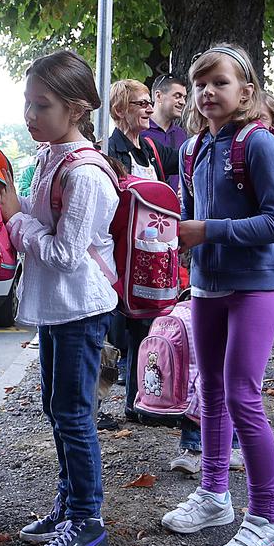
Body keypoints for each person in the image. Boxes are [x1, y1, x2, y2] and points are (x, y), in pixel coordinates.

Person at [158, 43, 274, 546]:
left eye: (220, 82)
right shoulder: (192, 149)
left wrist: (206, 231)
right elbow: (189, 219)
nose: (208, 92)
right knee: (209, 394)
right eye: (200, 84)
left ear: (246, 92)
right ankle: (215, 496)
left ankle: (267, 521)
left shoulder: (259, 145)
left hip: (254, 287)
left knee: (242, 397)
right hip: (207, 287)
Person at [0, 50, 119, 546]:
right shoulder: (53, 158)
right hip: (60, 308)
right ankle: (70, 509)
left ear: (76, 109)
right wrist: (14, 206)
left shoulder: (86, 173)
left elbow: (67, 256)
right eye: (27, 104)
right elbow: (40, 220)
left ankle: (88, 526)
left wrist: (14, 222)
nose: (30, 116)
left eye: (40, 106)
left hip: (79, 308)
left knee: (72, 414)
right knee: (58, 407)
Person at [106, 79, 180, 418]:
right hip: (123, 251)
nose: (149, 109)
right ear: (120, 110)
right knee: (116, 326)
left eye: (151, 102)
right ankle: (100, 404)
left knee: (147, 323)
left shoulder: (150, 148)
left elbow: (184, 156)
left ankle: (140, 401)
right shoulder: (110, 150)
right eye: (141, 103)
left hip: (154, 251)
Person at [142, 74, 188, 190]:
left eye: (184, 97)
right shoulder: (139, 132)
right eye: (177, 96)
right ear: (158, 96)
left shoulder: (181, 134)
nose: (183, 102)